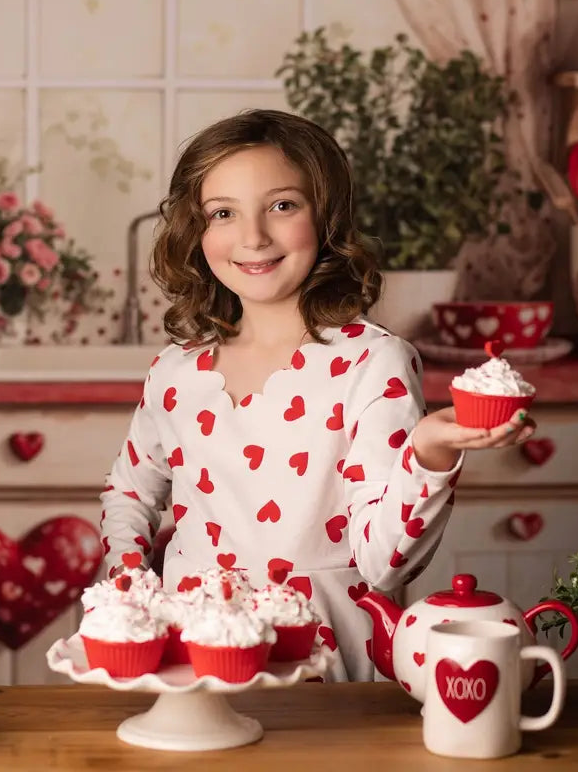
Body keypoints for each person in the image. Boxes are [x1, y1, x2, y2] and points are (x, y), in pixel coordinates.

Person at [98, 109, 535, 681]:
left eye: (282, 206)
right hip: (193, 657)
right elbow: (128, 492)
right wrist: (130, 588)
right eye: (223, 213)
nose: (253, 237)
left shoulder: (371, 363)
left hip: (323, 660)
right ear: (196, 231)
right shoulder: (174, 372)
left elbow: (384, 567)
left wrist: (428, 452)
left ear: (325, 216)